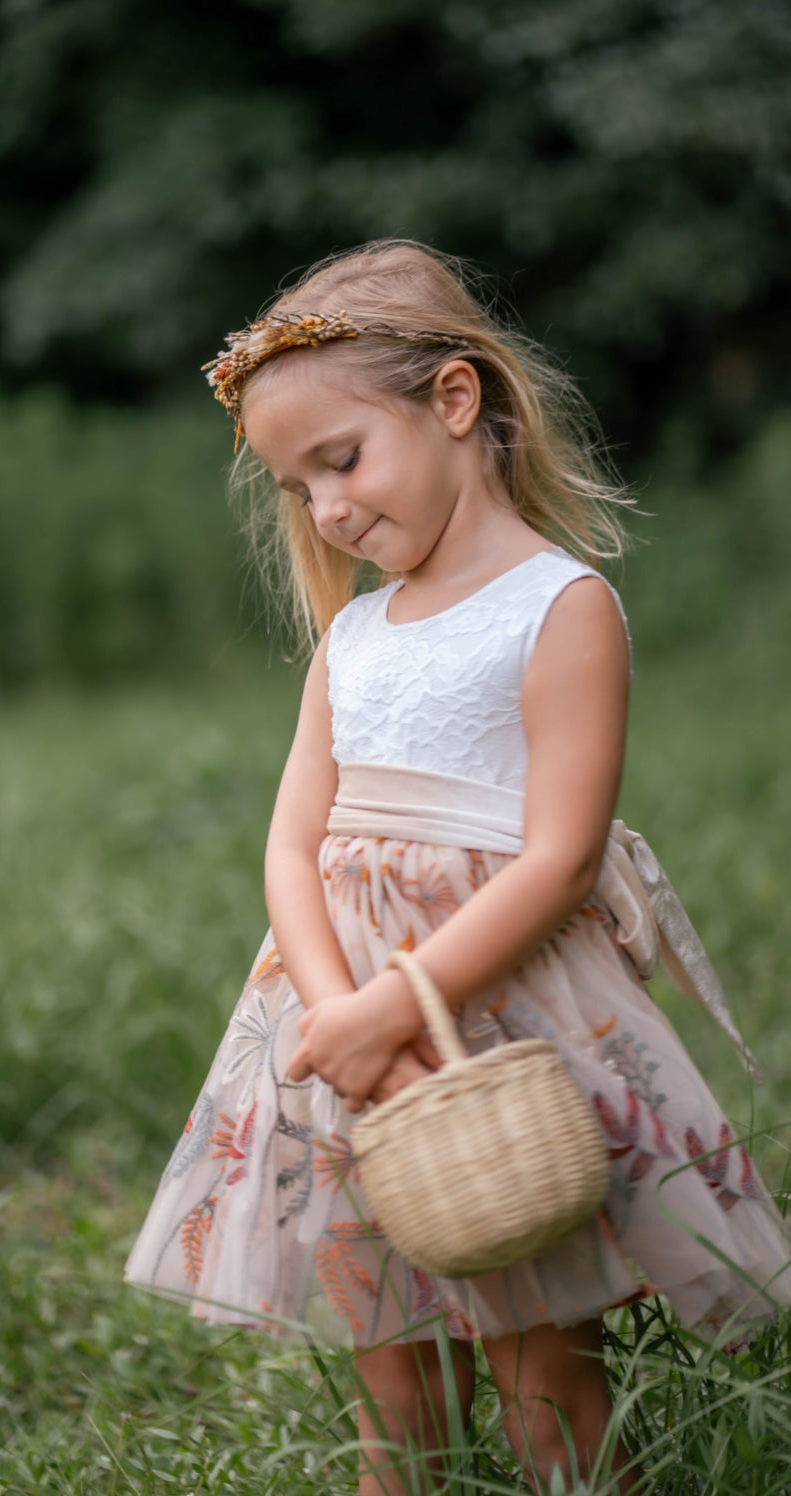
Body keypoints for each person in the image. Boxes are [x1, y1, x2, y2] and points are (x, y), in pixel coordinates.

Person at [125, 241, 790, 1494]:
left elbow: (560, 856)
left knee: (545, 1364)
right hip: (336, 1034)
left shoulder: (557, 605)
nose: (323, 509)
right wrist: (336, 1012)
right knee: (395, 1370)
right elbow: (291, 841)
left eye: (341, 460)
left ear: (452, 400)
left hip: (494, 1017)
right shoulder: (355, 635)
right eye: (294, 486)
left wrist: (400, 1001)